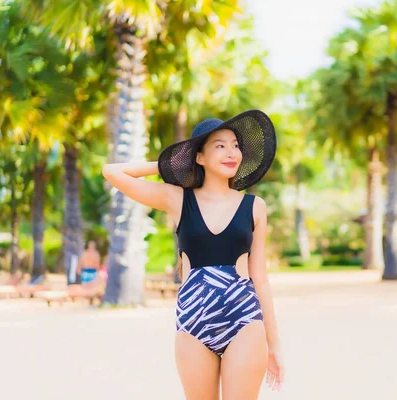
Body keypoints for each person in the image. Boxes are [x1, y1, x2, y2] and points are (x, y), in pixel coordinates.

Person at [102, 110, 284, 399]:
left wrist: (274, 345)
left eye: (235, 145)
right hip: (193, 321)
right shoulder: (177, 199)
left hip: (244, 320)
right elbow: (112, 172)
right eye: (219, 145)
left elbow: (260, 277)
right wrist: (169, 164)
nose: (231, 152)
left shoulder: (254, 206)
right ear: (199, 157)